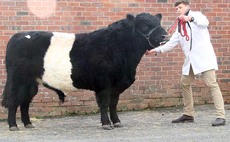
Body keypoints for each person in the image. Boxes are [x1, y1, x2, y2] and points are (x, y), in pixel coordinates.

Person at [146, 0, 226, 126]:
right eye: (176, 8)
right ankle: (188, 114)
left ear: (187, 7)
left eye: (180, 7)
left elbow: (205, 23)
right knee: (184, 83)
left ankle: (221, 116)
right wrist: (155, 51)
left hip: (204, 58)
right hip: (191, 61)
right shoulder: (180, 26)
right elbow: (171, 43)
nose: (178, 10)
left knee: (212, 84)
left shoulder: (197, 16)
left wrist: (190, 18)